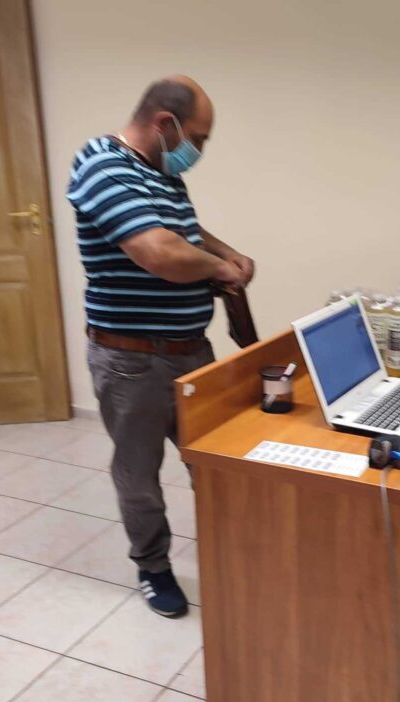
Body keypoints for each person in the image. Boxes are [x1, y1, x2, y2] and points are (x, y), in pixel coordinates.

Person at [66, 76, 254, 619]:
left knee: (214, 464)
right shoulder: (102, 165)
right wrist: (220, 269)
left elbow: (184, 234)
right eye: (199, 137)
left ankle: (230, 554)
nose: (200, 150)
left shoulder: (162, 173)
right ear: (164, 123)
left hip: (191, 353)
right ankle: (153, 567)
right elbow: (159, 252)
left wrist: (228, 253)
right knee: (139, 475)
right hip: (132, 361)